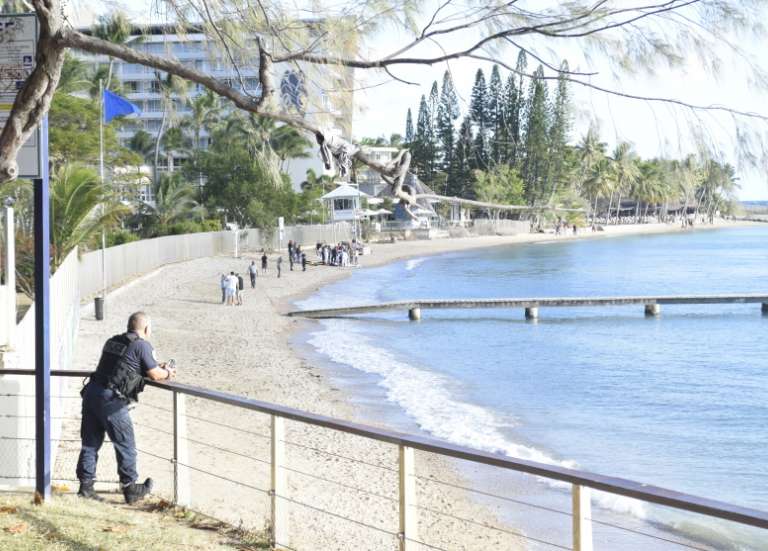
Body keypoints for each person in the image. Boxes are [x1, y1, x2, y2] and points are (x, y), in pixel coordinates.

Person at [76, 312, 176, 504]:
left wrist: (154, 367)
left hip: (92, 393)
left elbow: (123, 365)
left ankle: (85, 487)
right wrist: (167, 372)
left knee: (90, 442)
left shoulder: (112, 341)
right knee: (125, 443)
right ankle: (130, 488)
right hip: (111, 400)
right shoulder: (142, 345)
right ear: (146, 329)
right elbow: (154, 374)